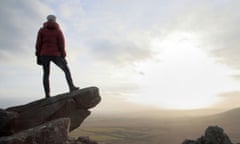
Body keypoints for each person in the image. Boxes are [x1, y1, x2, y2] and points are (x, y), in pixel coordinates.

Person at [35, 14, 79, 98]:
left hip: (44, 55)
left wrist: (37, 55)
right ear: (55, 20)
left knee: (46, 74)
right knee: (66, 70)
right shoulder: (58, 31)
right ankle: (71, 87)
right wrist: (63, 56)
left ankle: (47, 95)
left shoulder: (41, 30)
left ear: (47, 20)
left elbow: (38, 44)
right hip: (56, 55)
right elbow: (61, 45)